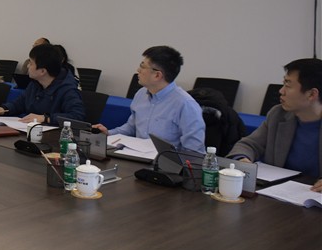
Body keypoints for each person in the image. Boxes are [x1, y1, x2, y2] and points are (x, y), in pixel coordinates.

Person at [228, 58, 322, 191]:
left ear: (312, 94)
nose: (281, 91)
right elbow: (248, 144)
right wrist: (242, 160)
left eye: (288, 85)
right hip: (277, 193)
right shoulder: (278, 115)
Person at [93, 46, 205, 153]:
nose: (138, 70)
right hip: (138, 156)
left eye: (142, 66)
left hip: (167, 162)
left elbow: (194, 152)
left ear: (157, 75)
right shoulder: (141, 94)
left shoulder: (186, 104)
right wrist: (108, 133)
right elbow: (131, 127)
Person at [0, 43, 84, 124]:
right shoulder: (35, 84)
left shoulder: (68, 90)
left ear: (42, 71)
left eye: (31, 63)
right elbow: (20, 103)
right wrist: (3, 109)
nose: (28, 66)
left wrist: (46, 118)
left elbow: (77, 116)